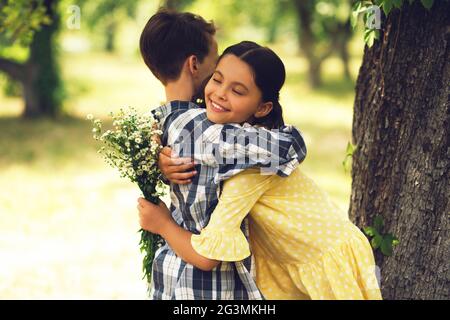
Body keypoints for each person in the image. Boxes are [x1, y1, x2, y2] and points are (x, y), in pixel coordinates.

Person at [138, 41, 383, 300]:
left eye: (238, 91)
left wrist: (163, 224)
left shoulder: (250, 166)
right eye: (217, 80)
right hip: (289, 261)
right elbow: (178, 124)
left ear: (263, 108)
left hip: (327, 261)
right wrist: (160, 158)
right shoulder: (230, 140)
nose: (220, 94)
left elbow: (208, 256)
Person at [139, 9, 307, 299]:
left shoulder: (162, 122)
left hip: (169, 274)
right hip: (208, 286)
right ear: (194, 64)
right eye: (216, 69)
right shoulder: (205, 130)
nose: (219, 89)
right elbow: (289, 148)